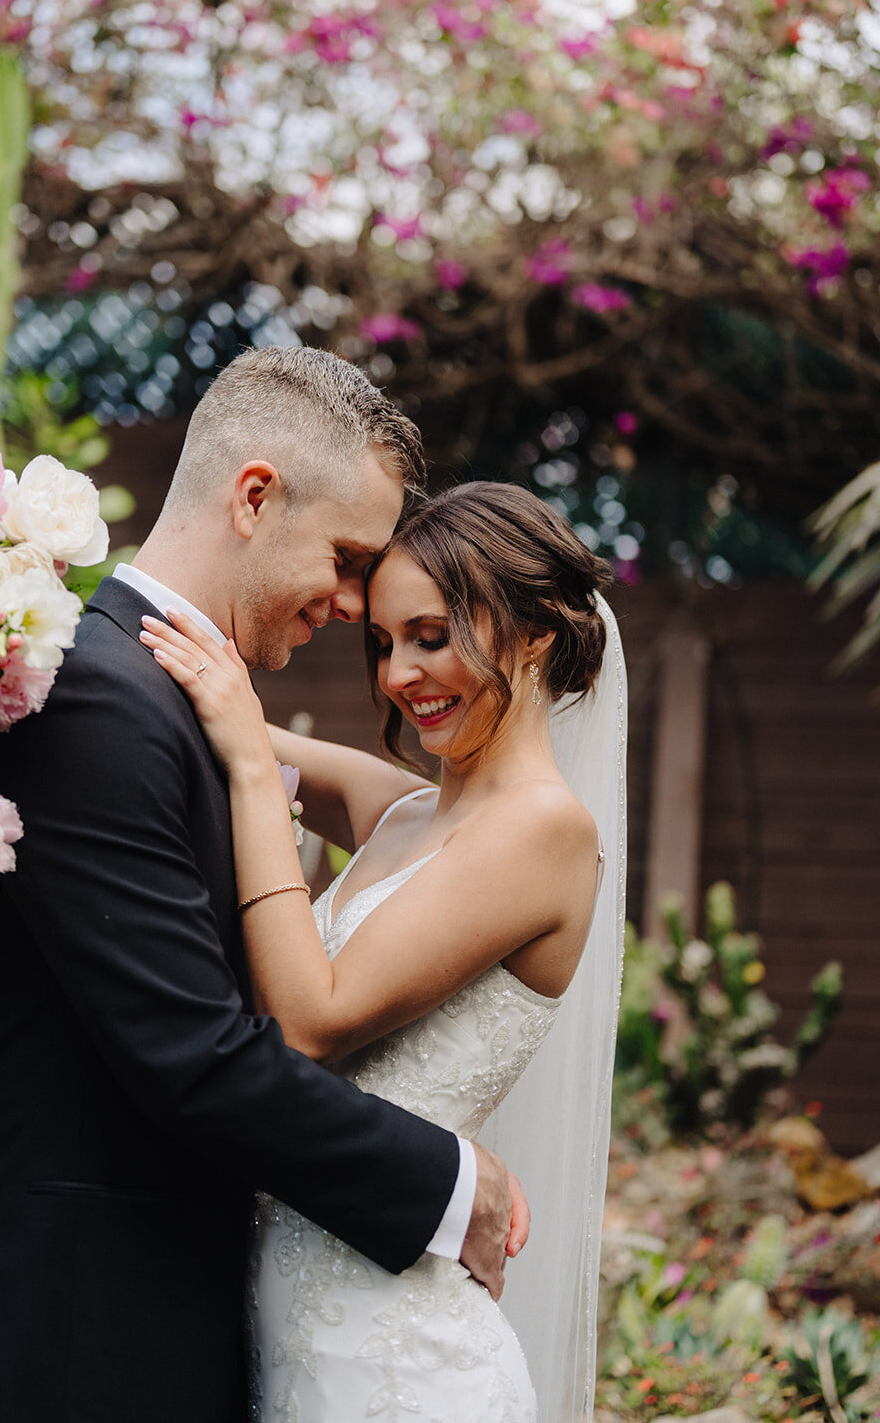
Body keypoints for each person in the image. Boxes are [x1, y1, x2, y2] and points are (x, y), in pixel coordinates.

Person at [0, 349, 526, 1423]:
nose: (350, 599)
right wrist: (448, 1182)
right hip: (64, 1342)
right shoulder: (95, 701)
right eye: (346, 555)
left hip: (145, 1321)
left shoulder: (173, 699)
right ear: (255, 495)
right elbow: (196, 1057)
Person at [141, 479, 628, 1423]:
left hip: (402, 1367)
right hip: (288, 1333)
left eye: (431, 635)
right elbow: (195, 717)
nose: (398, 674)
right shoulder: (404, 811)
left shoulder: (545, 830)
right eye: (383, 643)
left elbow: (310, 1020)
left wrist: (251, 765)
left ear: (533, 634)